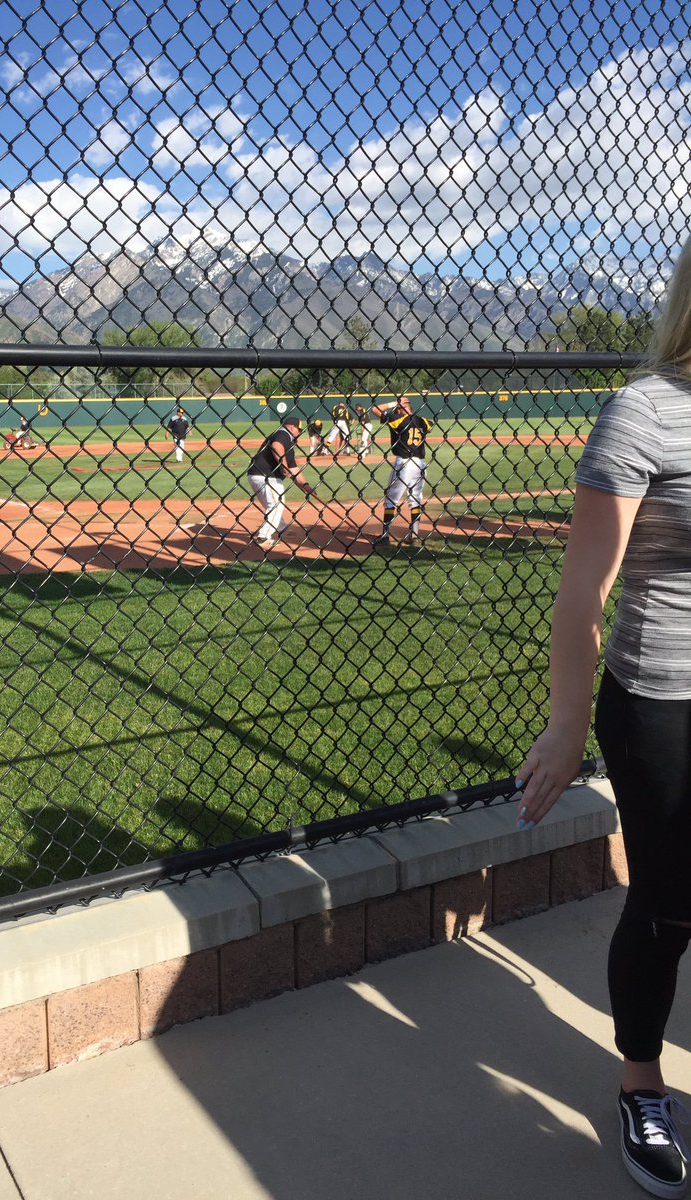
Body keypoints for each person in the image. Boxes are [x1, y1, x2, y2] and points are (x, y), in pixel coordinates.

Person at [517, 235, 691, 1199]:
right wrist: (566, 723)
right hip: (663, 701)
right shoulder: (647, 411)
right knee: (669, 904)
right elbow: (584, 590)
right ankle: (640, 1084)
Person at [247, 414, 319, 549]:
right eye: (298, 429)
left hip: (256, 475)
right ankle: (263, 537)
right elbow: (276, 446)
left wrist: (306, 486)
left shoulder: (288, 441)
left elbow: (294, 469)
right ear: (291, 427)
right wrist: (283, 465)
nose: (300, 432)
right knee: (276, 504)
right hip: (266, 476)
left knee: (272, 504)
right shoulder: (283, 434)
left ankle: (282, 528)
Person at [370, 395, 432, 545]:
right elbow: (430, 424)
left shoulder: (398, 420)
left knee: (391, 499)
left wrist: (394, 403)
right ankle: (414, 534)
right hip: (420, 464)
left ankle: (385, 536)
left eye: (397, 409)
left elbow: (375, 410)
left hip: (404, 464)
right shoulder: (422, 421)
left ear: (399, 409)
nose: (395, 412)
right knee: (415, 499)